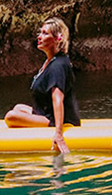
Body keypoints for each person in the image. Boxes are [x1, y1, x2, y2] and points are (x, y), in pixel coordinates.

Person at [5, 17, 81, 153]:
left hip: (58, 120)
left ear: (58, 39)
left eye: (45, 33)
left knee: (11, 116)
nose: (39, 37)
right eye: (40, 33)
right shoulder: (51, 61)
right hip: (46, 113)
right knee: (18, 107)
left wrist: (58, 133)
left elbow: (58, 99)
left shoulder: (58, 65)